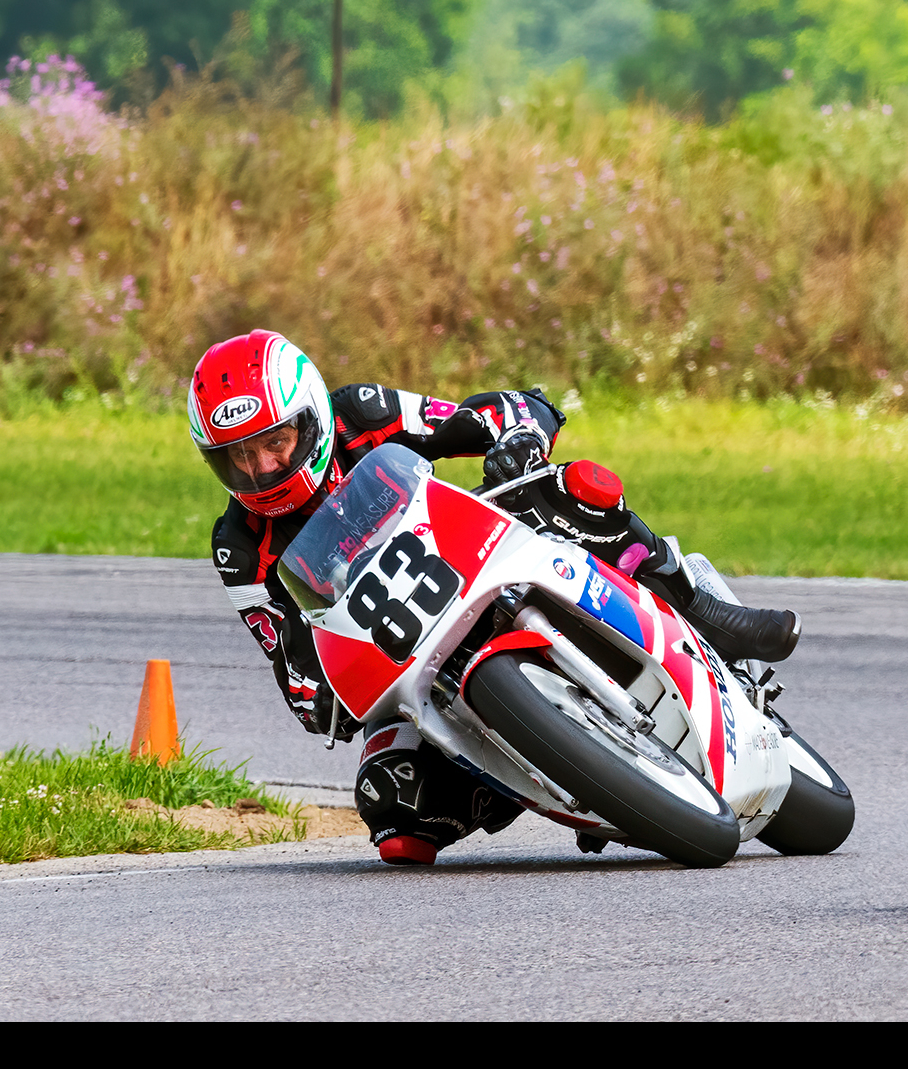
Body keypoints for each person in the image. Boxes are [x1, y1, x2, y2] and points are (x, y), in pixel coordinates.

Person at [191, 329, 800, 865]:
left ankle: (705, 611)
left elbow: (500, 415)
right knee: (396, 811)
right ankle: (551, 773)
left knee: (574, 487)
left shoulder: (360, 412)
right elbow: (294, 672)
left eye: (274, 443)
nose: (261, 470)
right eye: (237, 459)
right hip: (410, 661)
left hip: (473, 553)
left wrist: (519, 439)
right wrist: (318, 686)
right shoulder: (239, 546)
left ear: (313, 419)